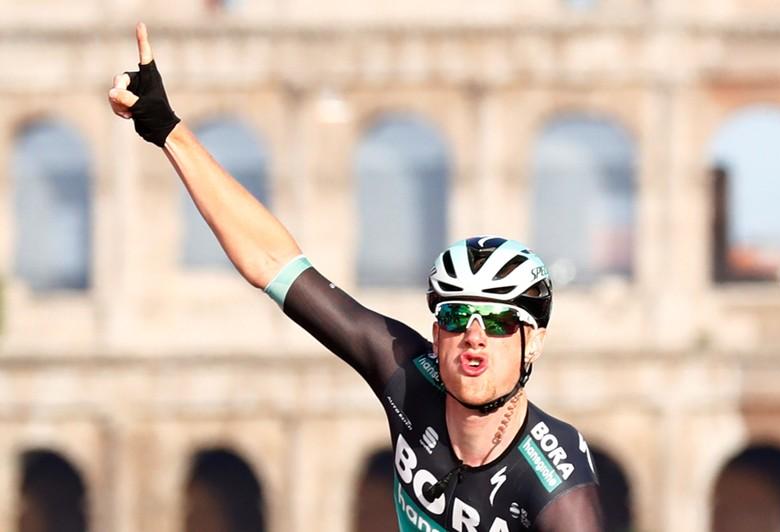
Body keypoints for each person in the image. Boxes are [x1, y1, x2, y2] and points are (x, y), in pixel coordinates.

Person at [108, 23, 604, 532]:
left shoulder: (558, 487)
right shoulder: (409, 377)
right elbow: (273, 264)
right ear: (437, 334)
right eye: (458, 317)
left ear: (533, 341)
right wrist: (167, 130)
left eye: (499, 322)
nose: (475, 336)